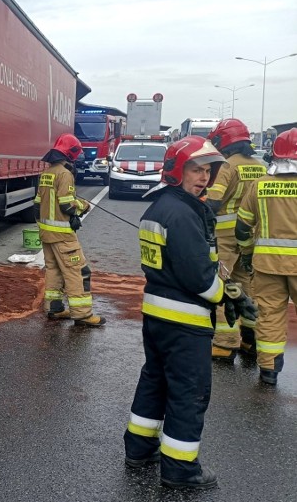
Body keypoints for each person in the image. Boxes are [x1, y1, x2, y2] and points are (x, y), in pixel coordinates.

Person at [123, 136, 225, 490]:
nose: (204, 177)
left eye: (208, 171)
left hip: (157, 316)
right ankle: (180, 471)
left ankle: (139, 448)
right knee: (188, 392)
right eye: (197, 169)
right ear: (177, 170)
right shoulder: (182, 214)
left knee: (155, 380)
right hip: (186, 322)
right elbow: (199, 278)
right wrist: (227, 294)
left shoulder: (160, 207)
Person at [235, 128, 297, 386]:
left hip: (266, 265)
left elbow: (242, 226)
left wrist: (247, 253)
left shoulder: (260, 184)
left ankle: (269, 371)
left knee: (270, 315)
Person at [206, 118, 265, 361]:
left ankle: (225, 342)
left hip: (225, 236)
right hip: (250, 235)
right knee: (247, 285)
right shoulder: (260, 166)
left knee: (222, 284)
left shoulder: (227, 166)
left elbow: (214, 201)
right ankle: (250, 339)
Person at [33, 133, 105, 326]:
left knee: (54, 271)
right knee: (78, 272)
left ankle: (54, 309)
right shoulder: (65, 174)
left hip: (47, 233)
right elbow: (67, 205)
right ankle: (82, 314)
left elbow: (37, 204)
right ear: (71, 153)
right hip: (63, 236)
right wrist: (83, 206)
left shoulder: (47, 173)